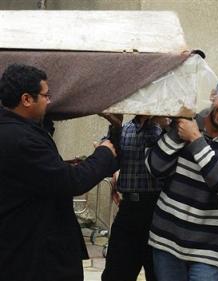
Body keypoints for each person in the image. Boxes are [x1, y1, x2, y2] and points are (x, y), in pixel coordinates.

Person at [0, 63, 118, 281]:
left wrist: (116, 131)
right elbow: (72, 182)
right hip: (34, 257)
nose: (50, 101)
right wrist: (103, 153)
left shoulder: (15, 129)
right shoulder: (21, 140)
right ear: (26, 99)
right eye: (46, 95)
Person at [145, 75, 218, 281]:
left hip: (209, 249)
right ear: (213, 95)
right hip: (166, 240)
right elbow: (154, 168)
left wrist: (195, 138)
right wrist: (179, 132)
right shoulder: (183, 125)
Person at [102, 115, 169, 281]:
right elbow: (109, 157)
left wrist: (164, 125)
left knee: (158, 274)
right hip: (128, 210)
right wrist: (115, 126)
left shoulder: (167, 129)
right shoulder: (125, 129)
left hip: (158, 212)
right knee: (116, 273)